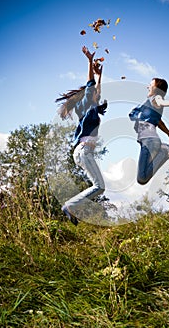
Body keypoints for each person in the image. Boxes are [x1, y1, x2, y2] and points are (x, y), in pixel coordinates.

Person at [56, 46, 107, 225]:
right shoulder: (86, 104)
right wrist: (89, 62)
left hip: (84, 151)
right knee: (100, 186)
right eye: (93, 94)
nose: (97, 95)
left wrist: (100, 75)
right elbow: (91, 87)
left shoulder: (91, 107)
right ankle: (70, 206)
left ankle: (72, 207)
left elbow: (96, 90)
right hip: (84, 150)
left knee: (99, 187)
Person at [129, 77, 169, 185]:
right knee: (142, 179)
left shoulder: (156, 98)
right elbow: (158, 121)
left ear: (157, 89)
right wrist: (168, 133)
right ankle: (164, 152)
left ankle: (164, 152)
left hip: (149, 140)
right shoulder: (150, 105)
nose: (148, 87)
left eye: (151, 85)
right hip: (149, 140)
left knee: (142, 178)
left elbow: (161, 102)